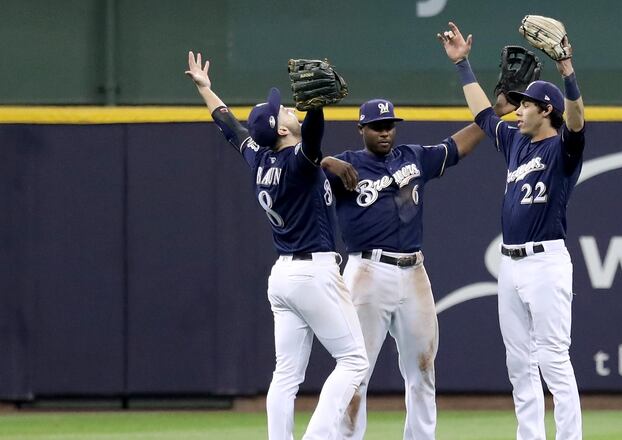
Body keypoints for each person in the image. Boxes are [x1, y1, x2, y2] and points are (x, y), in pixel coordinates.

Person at [184, 51, 368, 440]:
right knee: (353, 361)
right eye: (281, 111)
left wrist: (207, 90)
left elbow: (230, 127)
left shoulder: (260, 158)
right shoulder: (297, 165)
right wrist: (315, 106)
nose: (286, 107)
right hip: (313, 272)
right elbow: (314, 137)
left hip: (283, 276)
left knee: (286, 374)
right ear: (282, 131)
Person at [321, 98, 509, 440]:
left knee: (423, 370)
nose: (385, 132)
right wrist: (325, 162)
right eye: (377, 126)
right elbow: (303, 174)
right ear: (361, 129)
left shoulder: (413, 157)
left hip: (413, 271)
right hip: (366, 271)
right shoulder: (347, 165)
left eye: (390, 125)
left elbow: (456, 147)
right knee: (355, 373)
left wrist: (492, 114)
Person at [438, 22, 586, 440]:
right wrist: (463, 64)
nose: (517, 110)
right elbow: (483, 114)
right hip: (511, 264)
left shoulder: (563, 148)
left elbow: (576, 120)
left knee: (553, 359)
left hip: (546, 263)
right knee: (519, 363)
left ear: (545, 111)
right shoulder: (516, 142)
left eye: (525, 106)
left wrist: (567, 71)